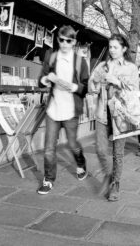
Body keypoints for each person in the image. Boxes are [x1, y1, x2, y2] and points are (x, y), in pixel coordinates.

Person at [37, 25, 89, 195]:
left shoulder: (80, 61)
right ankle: (48, 179)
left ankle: (81, 164)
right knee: (49, 148)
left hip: (71, 110)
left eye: (68, 40)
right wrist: (46, 79)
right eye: (61, 40)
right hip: (53, 109)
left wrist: (72, 86)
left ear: (73, 42)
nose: (64, 43)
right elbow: (41, 79)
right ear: (58, 39)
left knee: (72, 144)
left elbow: (85, 87)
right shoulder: (51, 58)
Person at [89, 33, 139, 201]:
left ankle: (115, 185)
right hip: (103, 112)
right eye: (110, 47)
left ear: (124, 49)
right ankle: (110, 175)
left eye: (115, 47)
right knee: (101, 149)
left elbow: (134, 90)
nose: (111, 50)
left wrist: (117, 81)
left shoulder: (131, 68)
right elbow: (91, 87)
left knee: (118, 153)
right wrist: (95, 83)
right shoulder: (102, 66)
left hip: (120, 114)